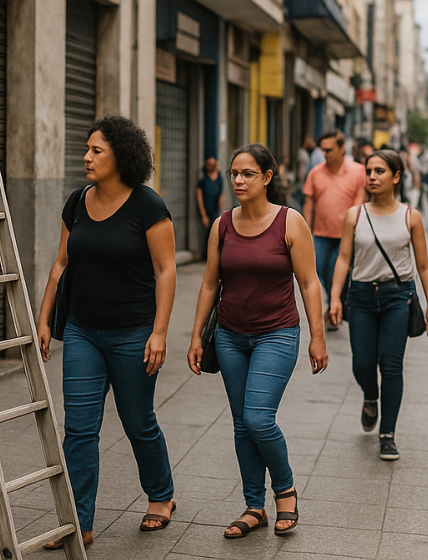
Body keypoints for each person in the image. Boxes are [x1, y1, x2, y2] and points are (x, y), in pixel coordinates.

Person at [36, 115, 177, 548]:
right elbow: (61, 263)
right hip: (82, 331)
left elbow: (166, 270)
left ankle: (161, 495)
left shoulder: (148, 205)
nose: (87, 157)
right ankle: (78, 522)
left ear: (121, 156)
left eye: (96, 150)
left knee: (138, 422)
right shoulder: (77, 202)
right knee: (79, 428)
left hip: (134, 333)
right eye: (87, 149)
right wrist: (43, 319)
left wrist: (159, 332)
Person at [187, 143, 328, 539]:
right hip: (230, 336)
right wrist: (196, 336)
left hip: (277, 333)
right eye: (234, 173)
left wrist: (317, 336)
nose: (238, 180)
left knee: (258, 418)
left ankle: (285, 490)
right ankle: (254, 506)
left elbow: (309, 283)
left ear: (267, 177)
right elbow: (209, 283)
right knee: (240, 424)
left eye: (247, 173)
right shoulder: (222, 225)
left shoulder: (289, 222)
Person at [328, 150, 428, 461]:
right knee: (362, 364)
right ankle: (370, 395)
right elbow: (344, 259)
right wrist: (335, 297)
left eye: (379, 171)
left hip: (397, 297)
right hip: (361, 297)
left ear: (396, 176)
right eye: (369, 171)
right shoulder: (355, 215)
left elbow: (424, 266)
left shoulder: (410, 217)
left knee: (391, 366)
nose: (372, 177)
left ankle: (387, 434)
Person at [301, 130, 368, 330]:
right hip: (320, 233)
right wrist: (305, 231)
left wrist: (355, 230)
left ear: (342, 148)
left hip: (345, 236)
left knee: (335, 272)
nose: (325, 154)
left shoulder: (358, 171)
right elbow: (309, 203)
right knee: (318, 270)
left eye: (329, 150)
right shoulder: (315, 173)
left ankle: (333, 306)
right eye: (323, 150)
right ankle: (335, 302)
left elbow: (359, 202)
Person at [196, 156, 225, 261]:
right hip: (206, 209)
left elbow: (222, 195)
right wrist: (203, 214)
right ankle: (206, 256)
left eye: (212, 164)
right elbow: (199, 195)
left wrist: (221, 210)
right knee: (207, 233)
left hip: (215, 210)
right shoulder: (203, 180)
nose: (210, 166)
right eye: (208, 164)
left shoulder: (220, 179)